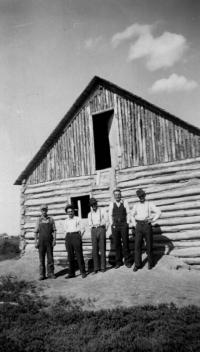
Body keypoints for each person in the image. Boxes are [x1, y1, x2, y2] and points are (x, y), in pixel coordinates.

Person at [132, 188, 161, 271]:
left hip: (147, 225)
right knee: (137, 245)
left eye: (142, 195)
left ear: (145, 195)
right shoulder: (136, 205)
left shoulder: (149, 204)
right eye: (140, 196)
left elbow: (159, 212)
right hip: (138, 226)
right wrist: (134, 224)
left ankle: (150, 263)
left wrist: (153, 219)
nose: (141, 197)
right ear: (138, 197)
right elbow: (131, 215)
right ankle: (137, 264)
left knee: (149, 245)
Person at [108, 189, 131, 269]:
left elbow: (128, 213)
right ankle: (118, 262)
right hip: (115, 226)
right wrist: (112, 224)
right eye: (116, 194)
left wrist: (127, 223)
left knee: (125, 243)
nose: (117, 196)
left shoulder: (125, 202)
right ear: (114, 196)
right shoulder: (111, 204)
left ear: (121, 195)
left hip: (123, 224)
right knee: (117, 244)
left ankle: (127, 261)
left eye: (118, 194)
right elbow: (110, 215)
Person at [34, 204, 56, 280]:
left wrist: (54, 240)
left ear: (47, 210)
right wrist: (35, 242)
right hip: (41, 242)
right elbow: (36, 232)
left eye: (45, 210)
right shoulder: (39, 220)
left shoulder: (51, 219)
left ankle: (51, 273)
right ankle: (42, 275)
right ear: (41, 211)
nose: (44, 211)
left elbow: (54, 231)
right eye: (42, 210)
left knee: (50, 258)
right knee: (41, 258)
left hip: (49, 242)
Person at [64, 204, 86, 279]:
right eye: (68, 212)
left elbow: (83, 229)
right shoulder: (66, 220)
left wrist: (79, 237)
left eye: (71, 211)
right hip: (68, 237)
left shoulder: (77, 219)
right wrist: (67, 238)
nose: (70, 213)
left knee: (79, 255)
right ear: (67, 213)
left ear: (73, 211)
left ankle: (83, 272)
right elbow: (65, 230)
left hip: (76, 236)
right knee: (70, 256)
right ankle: (71, 273)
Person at [88, 198, 107, 274]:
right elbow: (89, 224)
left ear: (97, 204)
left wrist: (103, 229)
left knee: (102, 249)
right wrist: (93, 229)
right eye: (92, 205)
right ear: (91, 206)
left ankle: (103, 267)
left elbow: (106, 220)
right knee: (95, 249)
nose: (94, 206)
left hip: (101, 228)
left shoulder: (102, 211)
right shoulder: (90, 214)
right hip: (93, 230)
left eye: (95, 204)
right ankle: (96, 267)